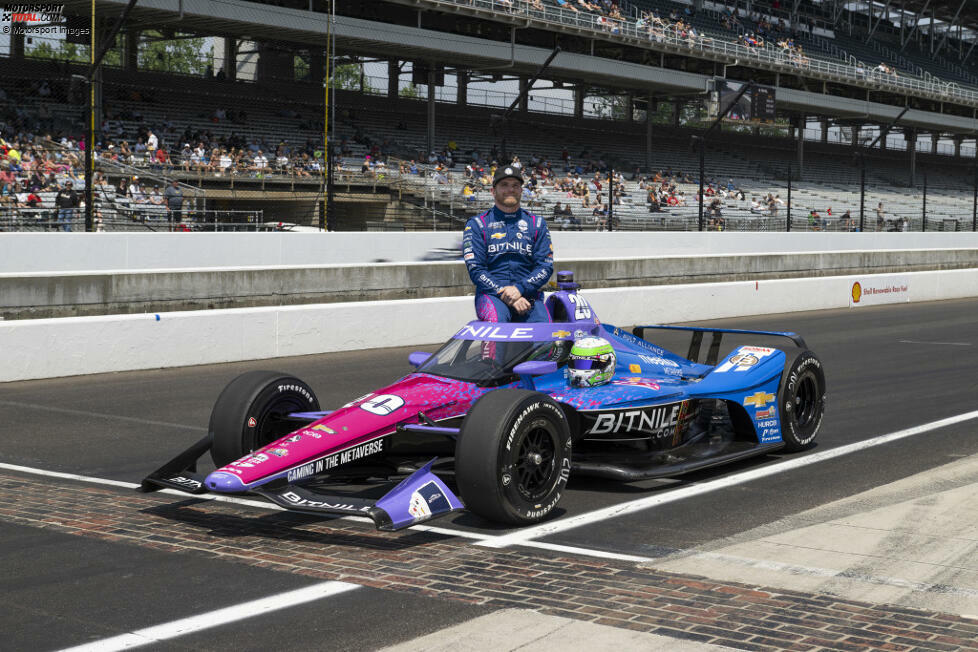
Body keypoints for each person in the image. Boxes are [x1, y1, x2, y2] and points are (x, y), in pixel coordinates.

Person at [463, 165, 554, 324]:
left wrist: (519, 289)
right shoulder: (477, 224)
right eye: (504, 185)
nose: (510, 189)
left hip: (528, 295)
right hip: (491, 295)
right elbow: (476, 269)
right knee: (496, 324)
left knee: (544, 332)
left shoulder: (537, 224)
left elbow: (545, 267)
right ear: (493, 191)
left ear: (521, 191)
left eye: (515, 186)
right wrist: (505, 293)